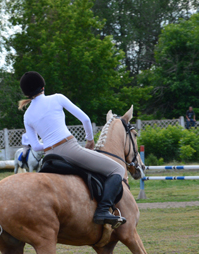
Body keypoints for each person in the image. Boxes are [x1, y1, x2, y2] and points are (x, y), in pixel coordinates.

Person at [18, 71, 126, 227]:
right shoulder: (57, 98)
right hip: (70, 149)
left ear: (26, 92)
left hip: (49, 157)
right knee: (117, 169)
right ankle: (102, 210)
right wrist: (90, 140)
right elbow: (86, 119)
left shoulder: (27, 115)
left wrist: (50, 145)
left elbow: (35, 146)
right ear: (43, 86)